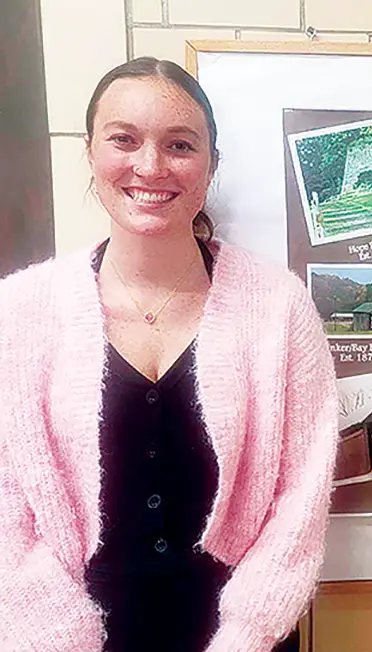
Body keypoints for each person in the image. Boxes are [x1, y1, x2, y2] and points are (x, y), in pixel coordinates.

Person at [0, 56, 339, 652]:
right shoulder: (19, 313)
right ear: (90, 151)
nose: (150, 166)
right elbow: (5, 507)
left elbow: (300, 496)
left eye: (180, 144)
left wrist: (247, 636)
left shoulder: (279, 309)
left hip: (245, 637)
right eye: (123, 139)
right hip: (62, 632)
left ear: (212, 164)